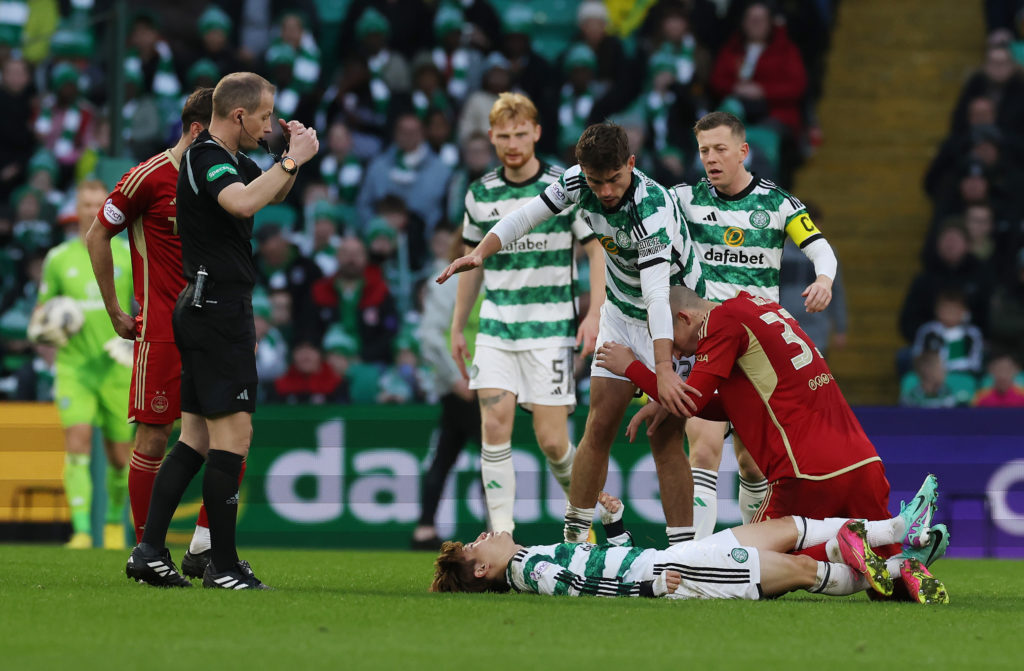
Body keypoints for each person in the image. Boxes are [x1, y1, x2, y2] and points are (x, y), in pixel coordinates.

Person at [438, 122, 705, 546]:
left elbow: (656, 296)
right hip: (620, 312)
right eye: (596, 181)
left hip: (674, 322)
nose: (605, 191)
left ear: (631, 165)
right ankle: (576, 539)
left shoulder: (650, 208)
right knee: (599, 425)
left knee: (664, 436)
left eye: (615, 179)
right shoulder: (578, 180)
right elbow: (526, 216)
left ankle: (683, 552)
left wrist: (662, 370)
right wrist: (478, 254)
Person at [125, 72, 319, 589]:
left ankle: (148, 551)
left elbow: (267, 194)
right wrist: (292, 157)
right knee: (233, 438)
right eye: (264, 116)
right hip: (217, 308)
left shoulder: (231, 160)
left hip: (205, 304)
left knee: (194, 440)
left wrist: (293, 158)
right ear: (238, 115)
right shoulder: (207, 154)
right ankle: (223, 565)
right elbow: (242, 203)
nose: (269, 124)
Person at [594, 286, 945, 564]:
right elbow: (740, 405)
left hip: (806, 473)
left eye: (668, 344)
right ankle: (906, 549)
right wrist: (667, 403)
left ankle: (840, 549)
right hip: (863, 463)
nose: (673, 357)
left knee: (746, 563)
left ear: (685, 318)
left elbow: (692, 400)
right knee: (881, 577)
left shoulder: (720, 323)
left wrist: (631, 368)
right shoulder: (759, 307)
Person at [87, 87, 240, 571]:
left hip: (213, 323)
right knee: (155, 438)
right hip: (161, 328)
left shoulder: (219, 175)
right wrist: (115, 308)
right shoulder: (147, 179)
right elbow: (97, 235)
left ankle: (201, 545)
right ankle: (147, 549)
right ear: (199, 129)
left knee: (234, 434)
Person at [673, 111, 839, 539]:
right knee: (704, 451)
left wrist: (824, 279)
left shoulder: (779, 203)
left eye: (719, 149)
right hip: (707, 343)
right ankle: (697, 559)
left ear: (743, 151)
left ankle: (749, 553)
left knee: (751, 462)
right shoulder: (684, 200)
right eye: (704, 150)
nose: (711, 158)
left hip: (758, 350)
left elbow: (822, 249)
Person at [450, 93, 605, 535]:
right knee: (494, 427)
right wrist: (459, 326)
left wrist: (593, 312)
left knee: (553, 442)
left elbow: (595, 250)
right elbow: (470, 263)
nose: (513, 143)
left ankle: (590, 513)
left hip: (551, 330)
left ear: (536, 132)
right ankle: (502, 536)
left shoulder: (563, 186)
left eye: (521, 133)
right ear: (491, 138)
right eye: (504, 136)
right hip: (497, 328)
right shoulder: (480, 193)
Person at [431, 492, 948, 605]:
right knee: (795, 568)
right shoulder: (530, 569)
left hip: (666, 563)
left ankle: (896, 530)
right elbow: (593, 587)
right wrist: (655, 585)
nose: (486, 535)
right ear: (481, 571)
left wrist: (614, 527)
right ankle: (896, 568)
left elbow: (610, 563)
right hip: (678, 574)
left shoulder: (530, 555)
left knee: (788, 526)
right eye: (478, 544)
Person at [30, 181, 135, 549]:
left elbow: (147, 304)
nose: (92, 209)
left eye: (98, 202)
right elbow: (40, 316)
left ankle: (111, 523)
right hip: (75, 369)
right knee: (77, 442)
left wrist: (132, 346)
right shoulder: (59, 258)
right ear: (76, 207)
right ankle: (81, 531)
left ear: (106, 206)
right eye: (86, 203)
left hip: (116, 368)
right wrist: (47, 328)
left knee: (121, 457)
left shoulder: (124, 254)